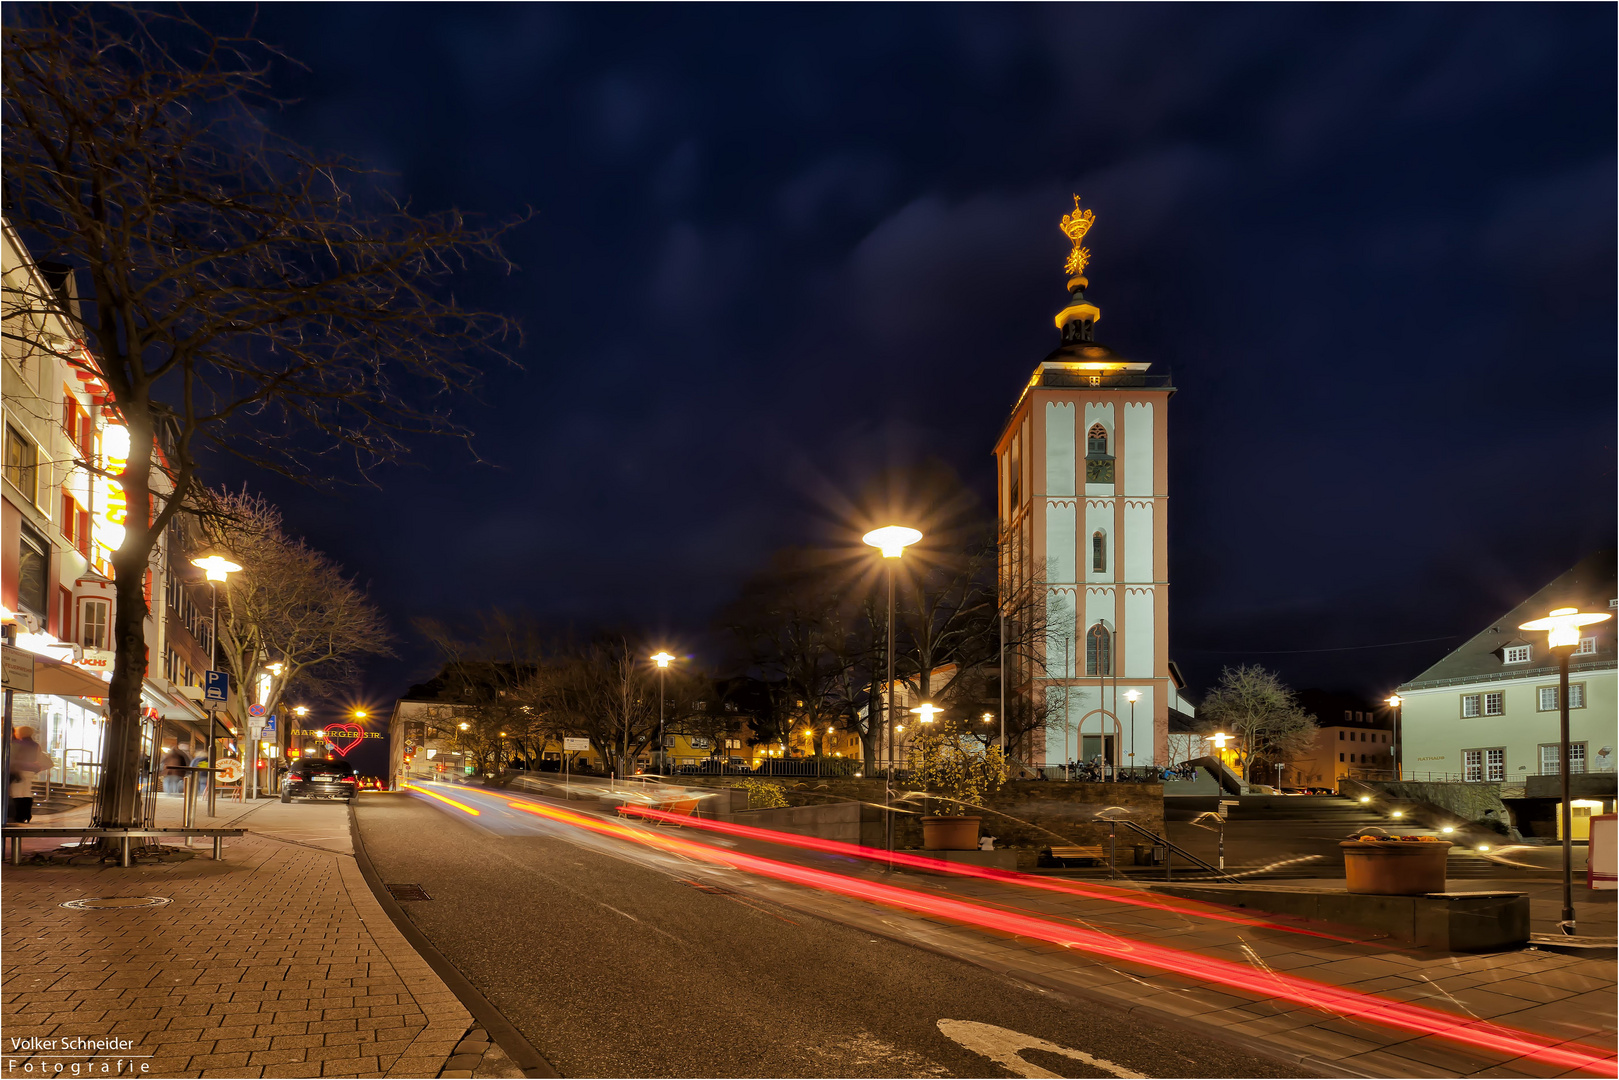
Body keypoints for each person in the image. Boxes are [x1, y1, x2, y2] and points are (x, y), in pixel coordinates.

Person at [8, 727, 54, 824]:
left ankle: (19, 816)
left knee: (17, 793)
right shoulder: (36, 745)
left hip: (18, 770)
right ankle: (27, 815)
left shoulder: (17, 744)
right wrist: (36, 767)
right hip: (30, 771)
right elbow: (39, 758)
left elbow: (12, 759)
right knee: (27, 792)